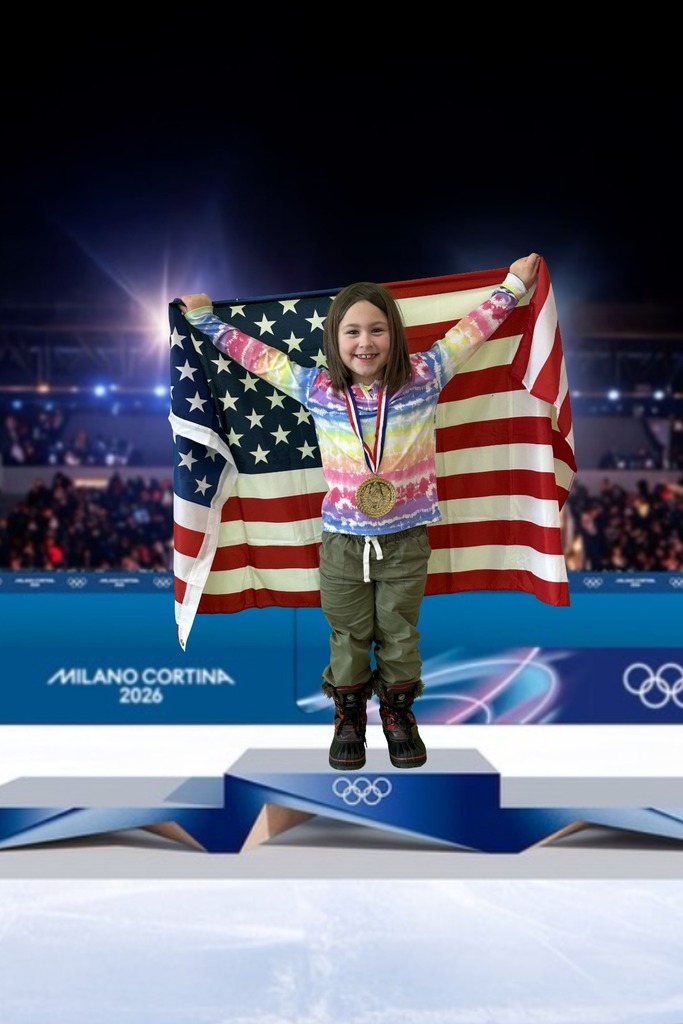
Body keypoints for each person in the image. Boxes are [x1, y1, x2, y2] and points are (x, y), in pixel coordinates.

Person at [179, 253, 541, 771]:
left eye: (376, 330)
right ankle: (349, 714)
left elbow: (471, 332)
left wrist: (512, 286)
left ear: (393, 334)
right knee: (347, 633)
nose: (365, 342)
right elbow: (260, 358)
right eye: (352, 332)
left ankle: (397, 712)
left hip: (406, 539)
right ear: (335, 339)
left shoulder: (425, 375)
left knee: (399, 632)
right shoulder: (319, 390)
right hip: (343, 543)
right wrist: (205, 320)